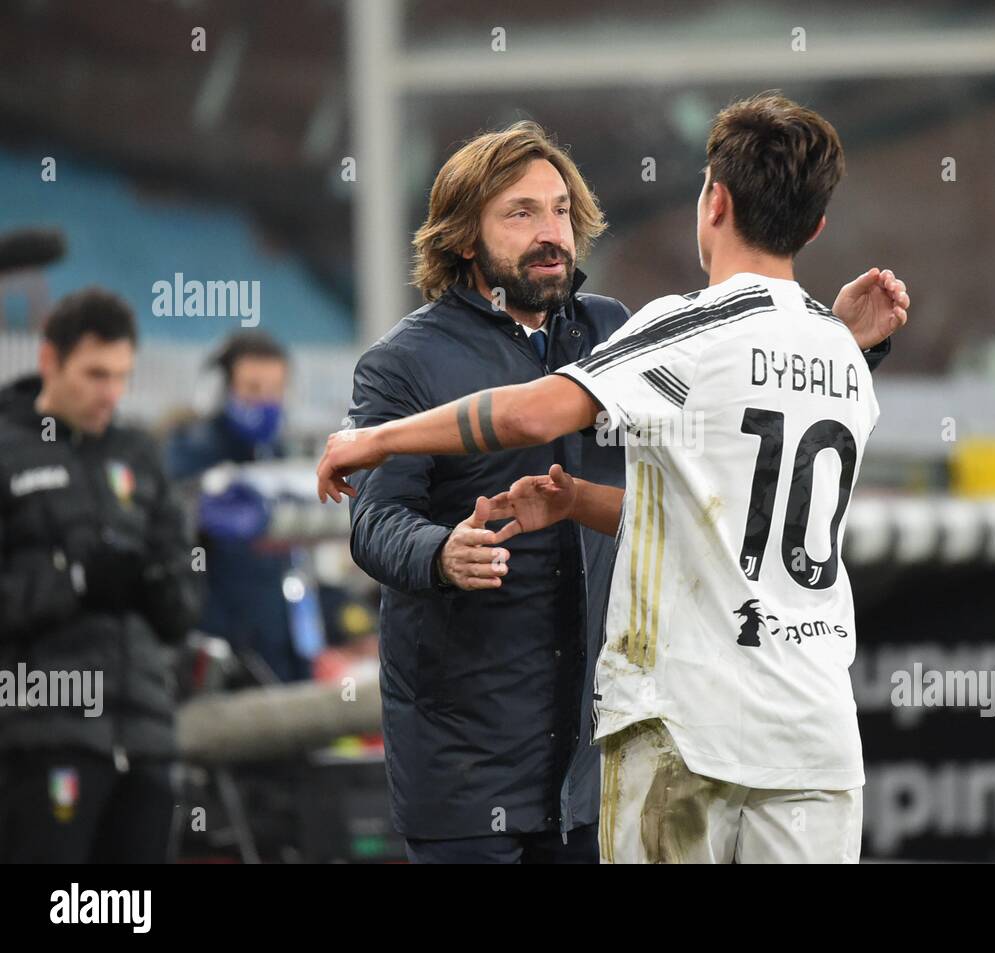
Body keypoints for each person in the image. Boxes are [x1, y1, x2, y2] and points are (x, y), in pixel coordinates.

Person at [318, 94, 908, 863]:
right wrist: (440, 552)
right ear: (462, 235)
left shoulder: (623, 330)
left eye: (561, 210)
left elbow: (553, 420)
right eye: (522, 213)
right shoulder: (404, 361)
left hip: (623, 742)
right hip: (474, 754)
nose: (551, 232)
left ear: (714, 201)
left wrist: (369, 440)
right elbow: (374, 521)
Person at [0, 288, 199, 862]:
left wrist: (166, 589)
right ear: (48, 361)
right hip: (41, 740)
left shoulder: (140, 455)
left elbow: (186, 598)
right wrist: (76, 581)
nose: (109, 393)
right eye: (94, 374)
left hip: (146, 743)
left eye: (120, 377)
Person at [167, 332, 317, 682]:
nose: (265, 401)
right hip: (218, 648)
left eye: (275, 389)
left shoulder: (280, 456)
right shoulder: (190, 451)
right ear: (220, 391)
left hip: (280, 641)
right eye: (252, 389)